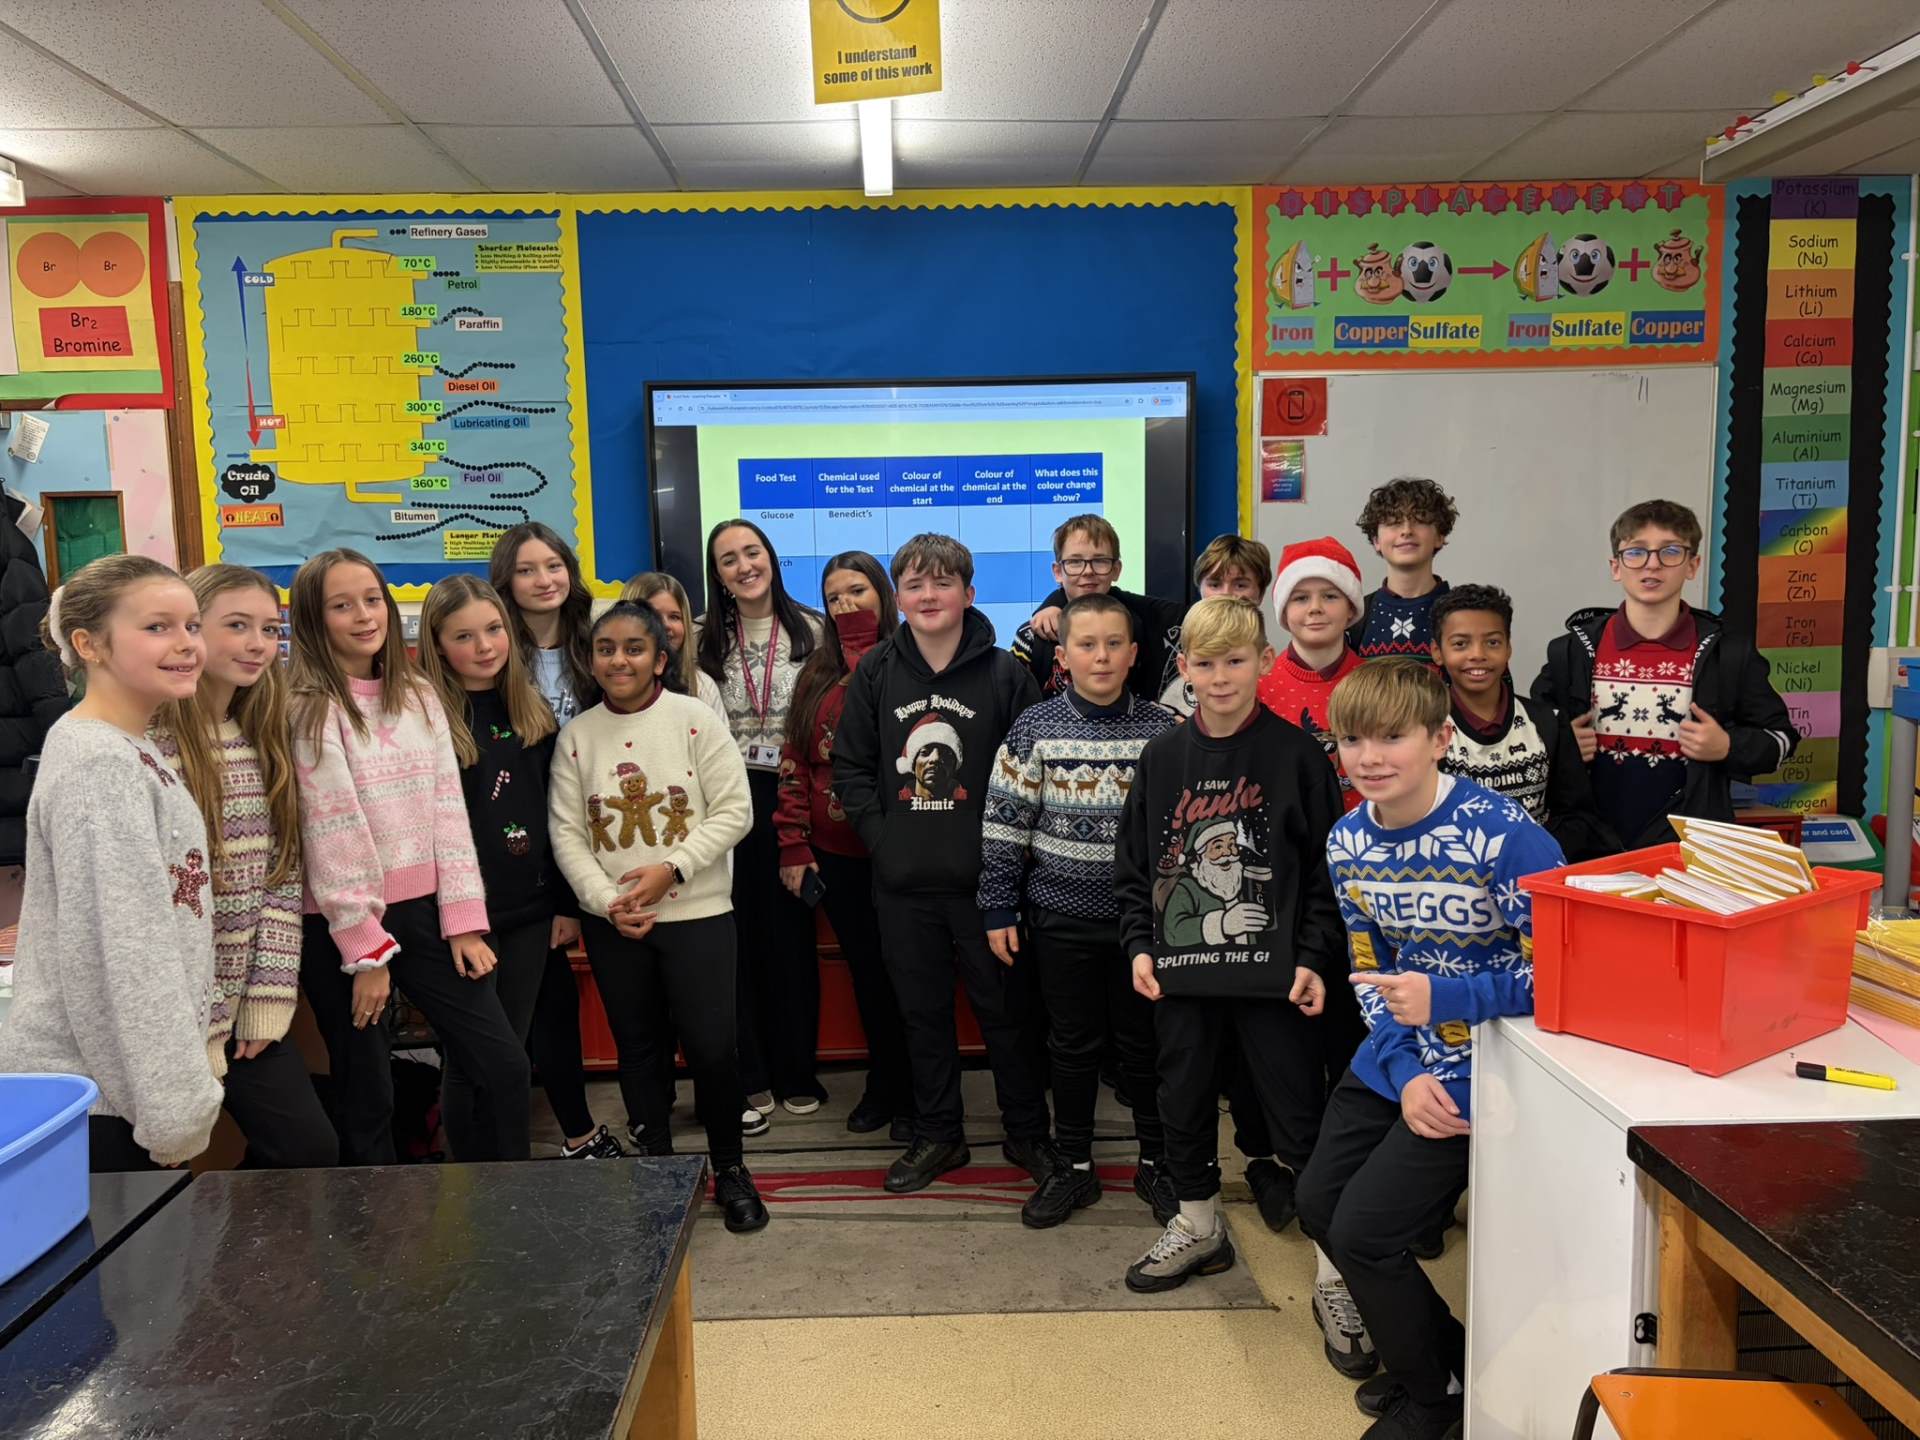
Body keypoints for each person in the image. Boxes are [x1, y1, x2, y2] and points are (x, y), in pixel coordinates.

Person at [1300, 659, 1564, 1439]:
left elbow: (1567, 974)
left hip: (1488, 1064)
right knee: (1319, 1205)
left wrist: (1448, 1001)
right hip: (1400, 1054)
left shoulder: (1507, 838)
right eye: (1353, 740)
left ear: (1441, 738)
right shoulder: (1348, 841)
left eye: (1392, 738)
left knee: (1365, 1234)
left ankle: (1435, 1400)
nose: (1370, 757)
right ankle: (1446, 1360)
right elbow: (1369, 972)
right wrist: (1408, 1067)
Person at [1114, 596, 1344, 1291]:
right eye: (1206, 663)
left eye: (1235, 661)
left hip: (1275, 979)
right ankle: (1199, 1225)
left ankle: (1335, 1267)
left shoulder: (1298, 755)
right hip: (1182, 978)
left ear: (1264, 661)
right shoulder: (1161, 758)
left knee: (1298, 1113)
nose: (1220, 678)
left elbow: (1326, 873)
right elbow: (1134, 869)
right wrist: (1139, 946)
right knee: (1182, 1101)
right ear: (1183, 668)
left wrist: (1313, 956)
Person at [832, 533, 1056, 1194]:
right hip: (903, 887)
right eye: (915, 584)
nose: (929, 595)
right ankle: (939, 1134)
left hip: (990, 890)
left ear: (969, 592)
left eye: (943, 582)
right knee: (922, 1017)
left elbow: (1032, 775)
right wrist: (885, 840)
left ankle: (1027, 1132)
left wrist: (1010, 868)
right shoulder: (876, 671)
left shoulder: (1006, 675)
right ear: (898, 598)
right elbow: (851, 767)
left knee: (1008, 1017)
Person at [291, 548, 530, 1165]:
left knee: (503, 1067)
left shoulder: (419, 695)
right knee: (369, 1093)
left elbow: (448, 810)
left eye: (372, 599)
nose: (363, 616)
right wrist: (367, 950)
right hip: (344, 924)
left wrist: (464, 918)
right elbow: (330, 829)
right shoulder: (309, 706)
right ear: (314, 619)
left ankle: (511, 1204)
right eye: (341, 606)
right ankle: (377, 1218)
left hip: (424, 911)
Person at [549, 601, 768, 1231]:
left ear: (660, 660)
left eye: (634, 648)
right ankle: (659, 1172)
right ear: (591, 660)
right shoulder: (576, 738)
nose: (619, 660)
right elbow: (567, 833)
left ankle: (730, 1168)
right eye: (606, 649)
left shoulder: (694, 721)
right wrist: (606, 901)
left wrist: (673, 868)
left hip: (698, 914)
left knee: (712, 1048)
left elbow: (734, 810)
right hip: (616, 923)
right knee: (639, 1050)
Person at [0, 555, 223, 1172]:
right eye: (157, 627)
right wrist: (174, 1111)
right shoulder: (99, 764)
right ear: (88, 644)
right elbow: (125, 950)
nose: (187, 644)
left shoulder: (124, 746)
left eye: (192, 625)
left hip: (119, 1090)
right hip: (100, 1100)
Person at [979, 592, 1181, 1229]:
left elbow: (1181, 828)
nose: (1101, 656)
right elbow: (1005, 822)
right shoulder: (1034, 728)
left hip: (1143, 928)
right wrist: (997, 905)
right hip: (1060, 919)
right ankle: (1072, 1165)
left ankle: (1157, 1162)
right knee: (1070, 1046)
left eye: (1114, 644)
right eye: (1087, 645)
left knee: (1144, 1046)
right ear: (1062, 656)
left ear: (1134, 653)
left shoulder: (1164, 730)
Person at [419, 573, 623, 1160]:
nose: (484, 646)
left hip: (530, 911)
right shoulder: (426, 717)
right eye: (464, 636)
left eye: (493, 630)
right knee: (472, 1058)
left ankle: (506, 1174)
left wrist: (564, 904)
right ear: (438, 645)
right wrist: (456, 919)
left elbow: (554, 814)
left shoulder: (528, 707)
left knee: (511, 1047)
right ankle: (469, 1176)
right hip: (462, 916)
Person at [154, 564, 338, 1168]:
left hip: (243, 1012)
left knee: (309, 1149)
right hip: (169, 1022)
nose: (258, 644)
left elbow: (280, 881)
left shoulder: (263, 736)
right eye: (237, 626)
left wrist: (267, 1000)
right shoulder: (150, 745)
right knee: (143, 1173)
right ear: (190, 630)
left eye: (269, 629)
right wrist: (196, 1031)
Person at [1532, 499, 1799, 849]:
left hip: (1688, 844)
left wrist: (1727, 746)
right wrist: (1563, 746)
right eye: (1636, 552)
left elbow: (1781, 740)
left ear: (1693, 565)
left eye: (1671, 551)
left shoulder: (1729, 654)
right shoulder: (1572, 651)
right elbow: (1531, 734)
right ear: (1616, 566)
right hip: (1589, 843)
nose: (1653, 564)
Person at [775, 552, 913, 1141]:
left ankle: (918, 1094)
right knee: (868, 975)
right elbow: (796, 761)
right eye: (834, 598)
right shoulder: (816, 672)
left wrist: (867, 655)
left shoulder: (913, 662)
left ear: (884, 593)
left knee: (911, 974)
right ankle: (885, 1083)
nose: (846, 604)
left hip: (905, 850)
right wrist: (792, 844)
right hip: (838, 855)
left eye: (858, 591)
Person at [697, 518, 827, 1128]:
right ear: (717, 575)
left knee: (791, 940)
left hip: (793, 795)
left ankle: (797, 1069)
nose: (744, 566)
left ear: (771, 557)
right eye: (729, 559)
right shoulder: (700, 639)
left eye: (752, 552)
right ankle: (749, 1071)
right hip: (725, 797)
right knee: (737, 942)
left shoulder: (815, 630)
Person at [489, 522, 610, 1158]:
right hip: (526, 847)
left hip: (606, 832)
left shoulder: (598, 644)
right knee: (539, 996)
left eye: (554, 565)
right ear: (505, 581)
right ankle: (568, 1132)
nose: (544, 580)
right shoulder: (494, 653)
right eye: (527, 569)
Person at [1432, 584, 1614, 863]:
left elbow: (1577, 814)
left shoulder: (1547, 722)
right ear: (1437, 652)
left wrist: (1531, 853)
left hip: (1535, 870)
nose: (1477, 654)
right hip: (1454, 874)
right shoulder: (1427, 727)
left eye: (1492, 642)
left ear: (1508, 648)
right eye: (1460, 644)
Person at [1014, 513, 1184, 702]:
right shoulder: (1032, 636)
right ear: (1058, 572)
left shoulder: (1139, 621)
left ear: (1116, 570)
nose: (1088, 571)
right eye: (1075, 562)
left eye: (1100, 561)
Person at [1257, 535, 1367, 809]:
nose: (1315, 608)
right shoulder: (1257, 686)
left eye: (1330, 596)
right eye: (1301, 598)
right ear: (1284, 611)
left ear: (1351, 607)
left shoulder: (1379, 684)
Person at [1158, 535, 1273, 717]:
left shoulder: (1269, 667)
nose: (1225, 594)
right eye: (1215, 584)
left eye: (1240, 585)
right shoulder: (1171, 640)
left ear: (1260, 592)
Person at [1348, 477, 1457, 662]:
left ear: (1440, 536)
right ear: (1376, 540)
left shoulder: (1466, 614)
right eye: (1393, 522)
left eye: (1420, 520)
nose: (1406, 531)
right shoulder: (1356, 616)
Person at [623, 571, 729, 721]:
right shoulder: (616, 681)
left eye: (674, 617)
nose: (666, 625)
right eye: (655, 615)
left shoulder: (702, 686)